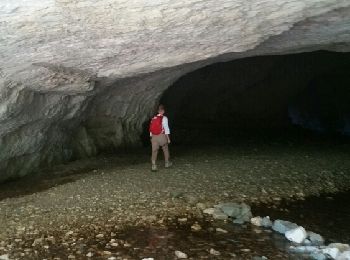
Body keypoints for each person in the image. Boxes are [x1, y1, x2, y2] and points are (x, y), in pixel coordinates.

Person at [149, 104, 172, 171]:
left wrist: (151, 137)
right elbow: (166, 128)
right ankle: (167, 163)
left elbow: (150, 129)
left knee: (154, 151)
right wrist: (168, 138)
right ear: (163, 111)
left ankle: (153, 165)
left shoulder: (153, 118)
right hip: (162, 136)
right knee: (165, 148)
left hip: (154, 136)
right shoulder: (164, 118)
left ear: (158, 111)